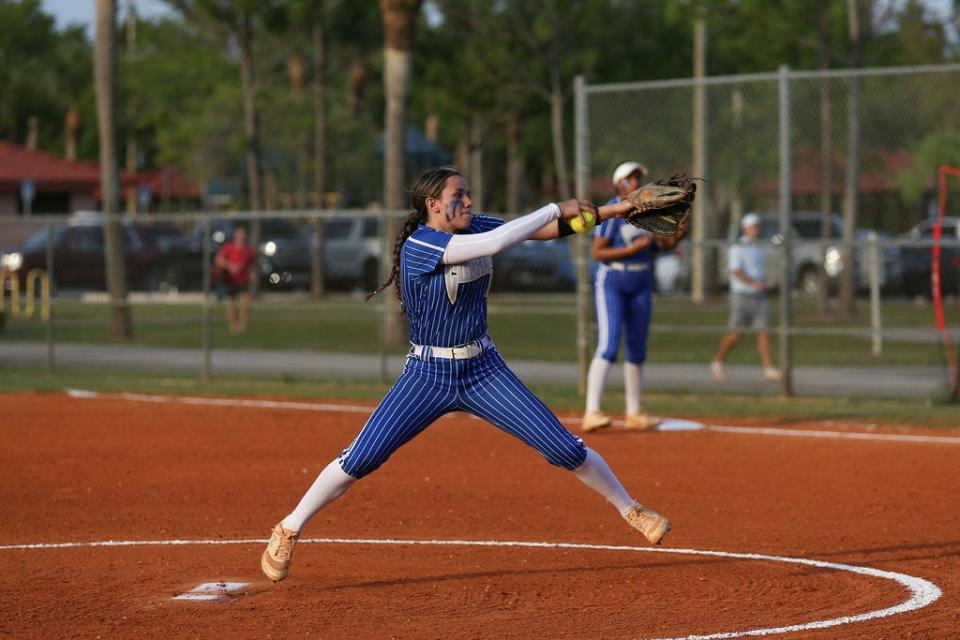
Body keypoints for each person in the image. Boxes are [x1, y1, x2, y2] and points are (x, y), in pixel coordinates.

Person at [260, 166, 671, 582]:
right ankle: (289, 527)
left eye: (470, 194)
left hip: (483, 369)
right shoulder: (421, 244)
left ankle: (630, 508)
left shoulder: (475, 225)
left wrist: (618, 209)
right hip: (427, 374)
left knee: (563, 447)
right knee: (362, 458)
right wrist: (553, 205)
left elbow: (541, 230)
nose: (470, 202)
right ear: (433, 204)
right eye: (460, 195)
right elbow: (501, 239)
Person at [581, 162, 686, 433]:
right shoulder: (614, 210)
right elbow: (598, 253)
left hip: (641, 279)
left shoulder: (648, 212)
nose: (636, 182)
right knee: (609, 343)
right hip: (613, 279)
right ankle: (592, 411)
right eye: (630, 178)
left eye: (639, 177)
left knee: (637, 346)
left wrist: (678, 232)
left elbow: (664, 244)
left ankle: (634, 411)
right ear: (618, 185)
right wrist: (631, 251)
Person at [710, 213, 782, 383]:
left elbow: (757, 272)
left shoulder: (758, 247)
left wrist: (765, 281)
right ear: (745, 229)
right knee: (736, 334)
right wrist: (752, 283)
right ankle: (717, 362)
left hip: (759, 296)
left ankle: (768, 368)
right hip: (742, 296)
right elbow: (735, 271)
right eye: (753, 226)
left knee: (764, 331)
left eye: (758, 226)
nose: (756, 229)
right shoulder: (738, 247)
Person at [214, 225, 257, 334]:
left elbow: (252, 264)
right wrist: (230, 266)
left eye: (243, 234)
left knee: (245, 303)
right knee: (232, 304)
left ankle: (242, 326)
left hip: (243, 280)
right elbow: (218, 259)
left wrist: (252, 274)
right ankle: (233, 327)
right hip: (230, 280)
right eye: (239, 234)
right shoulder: (228, 247)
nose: (241, 236)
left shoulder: (248, 250)